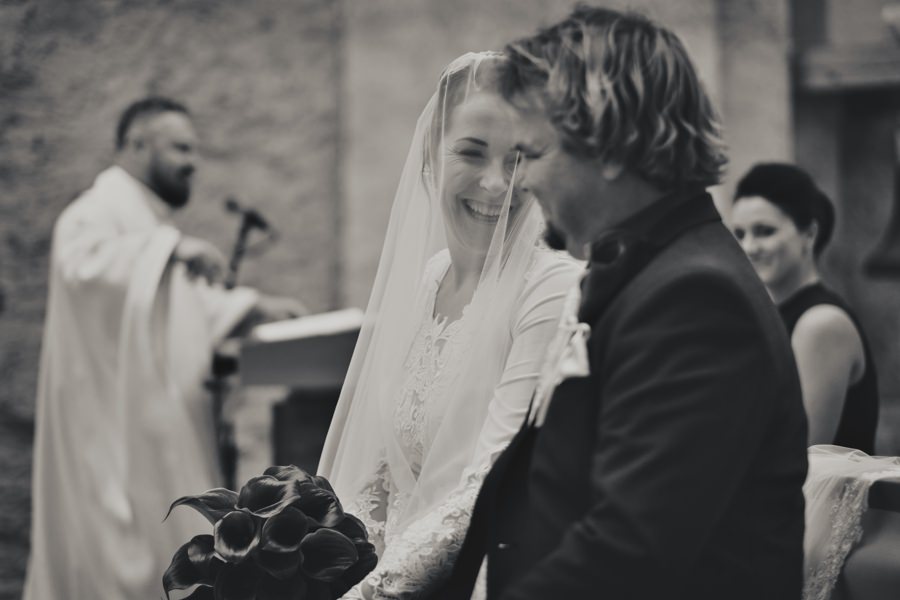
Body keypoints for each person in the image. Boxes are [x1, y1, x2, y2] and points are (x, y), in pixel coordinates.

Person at [440, 7, 809, 600]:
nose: (521, 182)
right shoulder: (646, 269)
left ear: (611, 146)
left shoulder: (696, 300)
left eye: (532, 153)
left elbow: (627, 552)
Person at [317, 52, 580, 599]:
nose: (495, 183)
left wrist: (367, 595)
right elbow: (385, 470)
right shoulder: (431, 278)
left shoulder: (551, 288)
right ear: (429, 158)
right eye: (471, 152)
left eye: (517, 160)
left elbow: (490, 486)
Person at [24, 96, 303, 600]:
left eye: (194, 150)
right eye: (180, 148)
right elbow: (83, 269)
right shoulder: (92, 214)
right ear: (136, 144)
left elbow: (182, 314)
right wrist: (169, 248)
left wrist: (254, 306)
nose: (193, 162)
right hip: (107, 433)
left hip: (156, 433)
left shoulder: (147, 225)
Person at [731, 163, 879, 452]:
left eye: (764, 231)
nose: (749, 247)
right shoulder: (766, 317)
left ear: (809, 234)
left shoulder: (821, 324)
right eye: (739, 234)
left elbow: (798, 455)